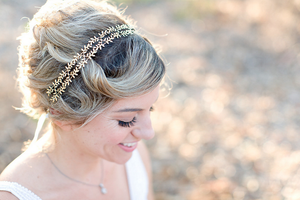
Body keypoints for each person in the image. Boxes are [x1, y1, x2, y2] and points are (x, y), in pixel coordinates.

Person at [0, 0, 165, 199]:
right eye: (126, 120)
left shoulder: (133, 157)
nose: (148, 133)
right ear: (62, 113)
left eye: (150, 109)